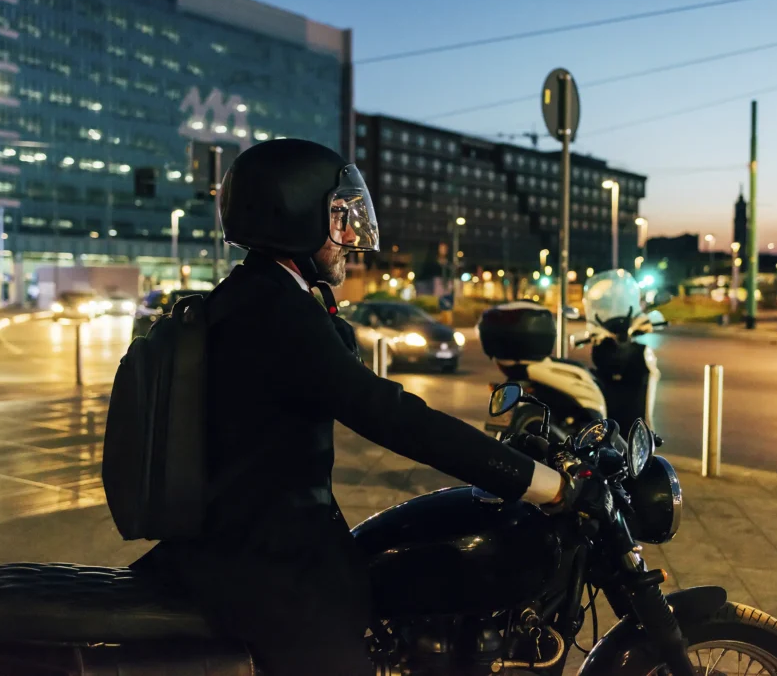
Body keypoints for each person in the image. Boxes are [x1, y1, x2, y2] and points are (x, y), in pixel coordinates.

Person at [136, 139, 575, 675]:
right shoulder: (279, 315)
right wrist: (539, 482)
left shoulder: (253, 295)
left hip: (237, 546)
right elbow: (392, 416)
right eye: (339, 218)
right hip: (267, 570)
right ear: (293, 215)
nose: (350, 239)